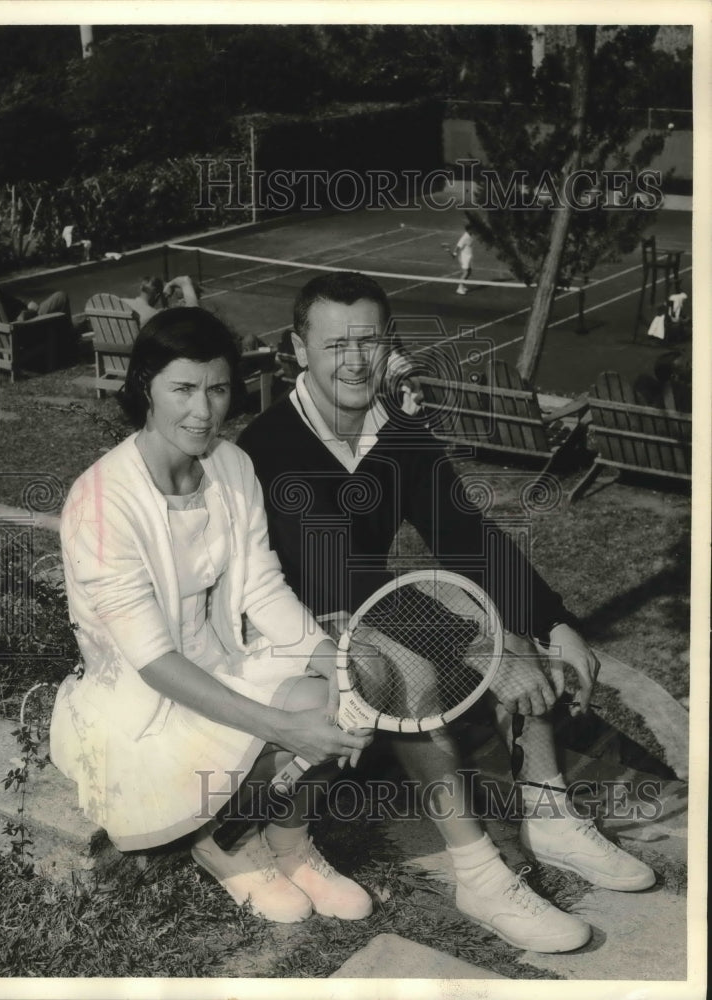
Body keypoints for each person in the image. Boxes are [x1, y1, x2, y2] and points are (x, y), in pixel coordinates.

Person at [238, 271, 655, 953]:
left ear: (389, 345)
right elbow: (331, 575)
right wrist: (482, 647)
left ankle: (548, 814)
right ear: (299, 348)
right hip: (290, 626)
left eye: (369, 341)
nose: (354, 360)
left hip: (362, 603)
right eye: (335, 343)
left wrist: (551, 625)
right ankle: (478, 873)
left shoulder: (399, 434)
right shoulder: (269, 445)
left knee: (507, 622)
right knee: (417, 666)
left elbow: (467, 539)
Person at [50, 306, 374, 923]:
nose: (204, 410)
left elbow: (262, 590)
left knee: (344, 693)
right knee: (298, 725)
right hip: (141, 705)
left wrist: (336, 665)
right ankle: (223, 843)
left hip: (223, 664)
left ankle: (288, 839)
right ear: (146, 386)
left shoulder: (231, 466)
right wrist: (281, 728)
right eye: (184, 389)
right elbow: (153, 660)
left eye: (218, 388)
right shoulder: (99, 499)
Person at [122, 275, 200, 327]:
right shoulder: (155, 316)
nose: (176, 303)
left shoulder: (122, 302)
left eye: (179, 298)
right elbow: (185, 280)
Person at [443, 223, 474, 295]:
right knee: (466, 272)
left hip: (468, 256)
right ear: (469, 229)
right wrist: (455, 254)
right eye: (473, 229)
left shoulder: (470, 235)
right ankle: (460, 288)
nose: (474, 230)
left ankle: (462, 286)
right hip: (464, 257)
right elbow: (458, 246)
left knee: (469, 272)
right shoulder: (465, 237)